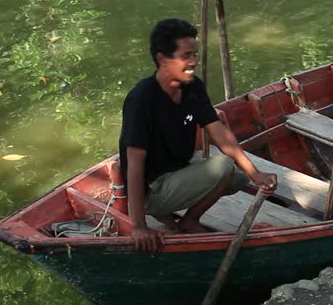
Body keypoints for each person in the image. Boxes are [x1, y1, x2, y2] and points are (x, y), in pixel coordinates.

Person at [119, 18, 278, 252]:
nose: (193, 62)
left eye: (195, 55)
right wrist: (139, 225)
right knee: (223, 165)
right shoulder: (142, 99)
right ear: (163, 59)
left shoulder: (192, 86)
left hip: (177, 171)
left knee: (238, 177)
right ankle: (164, 214)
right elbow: (133, 164)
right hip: (152, 189)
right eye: (186, 56)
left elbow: (219, 132)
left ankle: (188, 221)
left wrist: (255, 173)